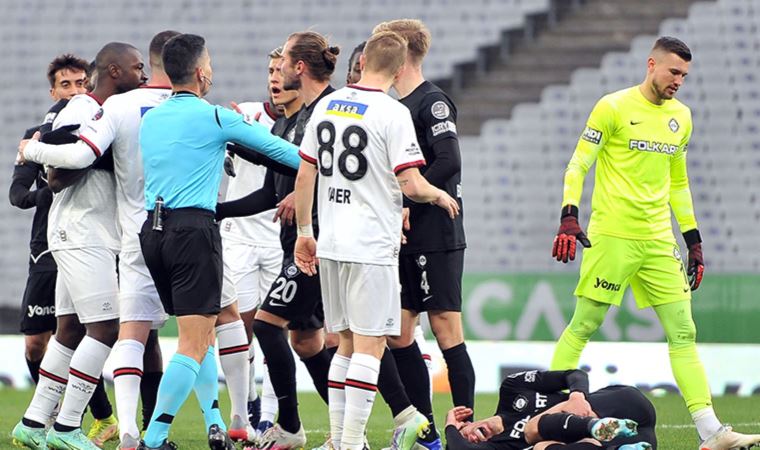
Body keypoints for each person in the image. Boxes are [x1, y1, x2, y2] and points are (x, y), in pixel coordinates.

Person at [548, 36, 760, 450]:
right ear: (651, 65)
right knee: (584, 325)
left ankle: (711, 431)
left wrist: (693, 241)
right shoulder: (612, 107)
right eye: (673, 72)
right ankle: (542, 416)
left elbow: (678, 183)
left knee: (684, 332)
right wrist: (569, 214)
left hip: (659, 241)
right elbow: (578, 163)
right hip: (613, 237)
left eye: (684, 75)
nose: (679, 81)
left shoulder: (682, 116)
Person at [293, 30, 460, 450]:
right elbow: (411, 182)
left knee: (344, 344)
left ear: (363, 59)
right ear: (401, 69)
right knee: (369, 347)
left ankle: (337, 440)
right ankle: (350, 442)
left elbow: (305, 173)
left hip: (329, 242)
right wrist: (439, 194)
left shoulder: (328, 104)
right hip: (370, 246)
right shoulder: (392, 112)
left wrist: (304, 233)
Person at [135, 33, 300, 450]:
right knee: (193, 342)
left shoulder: (151, 117)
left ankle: (216, 421)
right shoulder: (213, 118)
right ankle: (154, 438)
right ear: (201, 71)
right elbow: (288, 154)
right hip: (193, 231)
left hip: (153, 232)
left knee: (215, 321)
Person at [19, 31, 182, 450]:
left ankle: (33, 422)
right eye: (137, 68)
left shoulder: (100, 108)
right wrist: (42, 150)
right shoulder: (86, 107)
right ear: (114, 71)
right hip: (82, 232)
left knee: (70, 330)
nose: (144, 75)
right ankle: (68, 425)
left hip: (83, 231)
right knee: (106, 328)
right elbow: (59, 174)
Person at [372, 18, 474, 443]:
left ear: (400, 55)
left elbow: (449, 160)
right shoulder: (396, 107)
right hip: (404, 234)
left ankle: (466, 429)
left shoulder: (431, 102)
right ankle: (428, 430)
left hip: (436, 232)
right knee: (398, 333)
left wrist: (411, 199)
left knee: (446, 325)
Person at [216, 48, 285, 442]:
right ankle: (245, 407)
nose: (274, 77)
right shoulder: (243, 114)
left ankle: (269, 416)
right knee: (238, 329)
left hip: (278, 239)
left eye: (280, 70)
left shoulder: (302, 122)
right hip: (239, 238)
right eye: (270, 70)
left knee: (275, 329)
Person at [9, 52, 87, 396]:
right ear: (53, 93)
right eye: (65, 84)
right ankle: (51, 411)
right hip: (45, 248)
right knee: (36, 345)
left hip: (89, 240)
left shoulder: (101, 130)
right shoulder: (36, 137)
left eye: (81, 83)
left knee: (74, 337)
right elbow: (17, 194)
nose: (74, 91)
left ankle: (97, 418)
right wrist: (47, 194)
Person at [443, 370, 653, 450]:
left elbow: (574, 375)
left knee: (532, 429)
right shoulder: (500, 446)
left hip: (621, 404)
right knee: (541, 448)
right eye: (469, 443)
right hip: (637, 440)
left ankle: (595, 426)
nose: (472, 439)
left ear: (469, 421)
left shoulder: (512, 388)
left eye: (465, 433)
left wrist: (577, 396)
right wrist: (450, 427)